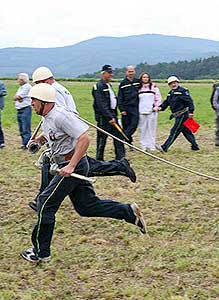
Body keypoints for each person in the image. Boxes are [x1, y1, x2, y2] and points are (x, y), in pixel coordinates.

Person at [20, 83, 147, 263]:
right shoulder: (46, 116)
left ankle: (41, 252)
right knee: (86, 207)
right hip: (67, 164)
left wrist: (71, 166)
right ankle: (128, 212)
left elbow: (84, 138)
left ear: (44, 101)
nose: (31, 103)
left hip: (73, 166)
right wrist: (38, 141)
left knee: (45, 203)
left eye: (33, 100)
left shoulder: (61, 116)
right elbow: (53, 135)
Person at [27, 66, 137, 212]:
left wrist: (42, 140)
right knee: (83, 191)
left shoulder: (53, 91)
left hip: (69, 134)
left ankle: (42, 199)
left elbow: (58, 118)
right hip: (66, 133)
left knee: (77, 165)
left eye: (38, 84)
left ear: (45, 80)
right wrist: (40, 140)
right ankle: (42, 199)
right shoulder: (55, 88)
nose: (37, 88)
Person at [155, 76, 199, 152]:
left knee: (174, 131)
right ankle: (195, 146)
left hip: (182, 115)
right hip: (177, 115)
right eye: (171, 83)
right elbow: (166, 102)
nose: (173, 85)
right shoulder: (170, 93)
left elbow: (190, 102)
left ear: (177, 83)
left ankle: (164, 147)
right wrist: (160, 108)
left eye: (174, 83)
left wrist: (191, 112)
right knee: (186, 131)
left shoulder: (183, 91)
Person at [92, 65, 126, 160]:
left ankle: (121, 158)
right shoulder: (98, 87)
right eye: (109, 73)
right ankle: (99, 159)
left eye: (111, 72)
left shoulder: (108, 85)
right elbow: (101, 104)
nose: (111, 74)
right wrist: (109, 117)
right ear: (103, 74)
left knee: (119, 137)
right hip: (104, 118)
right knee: (102, 139)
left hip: (112, 115)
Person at [137, 72, 161, 151]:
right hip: (141, 111)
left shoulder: (154, 87)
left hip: (152, 111)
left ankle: (151, 145)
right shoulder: (138, 88)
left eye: (147, 77)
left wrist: (157, 107)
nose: (145, 79)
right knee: (143, 129)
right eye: (144, 77)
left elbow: (158, 98)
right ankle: (143, 146)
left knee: (151, 129)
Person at [118, 66, 140, 146]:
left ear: (134, 72)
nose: (131, 73)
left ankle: (122, 138)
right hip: (126, 108)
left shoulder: (138, 82)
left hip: (135, 107)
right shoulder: (123, 83)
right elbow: (120, 97)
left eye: (132, 71)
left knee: (134, 124)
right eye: (129, 71)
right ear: (126, 72)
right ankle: (129, 143)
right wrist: (121, 109)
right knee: (126, 126)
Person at [14, 73, 32, 149]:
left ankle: (27, 144)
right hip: (20, 109)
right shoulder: (21, 87)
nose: (18, 81)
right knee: (21, 128)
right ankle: (23, 144)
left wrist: (18, 98)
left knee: (25, 128)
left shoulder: (27, 87)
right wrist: (17, 98)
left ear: (22, 80)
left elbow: (18, 96)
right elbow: (15, 97)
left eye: (19, 79)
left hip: (25, 109)